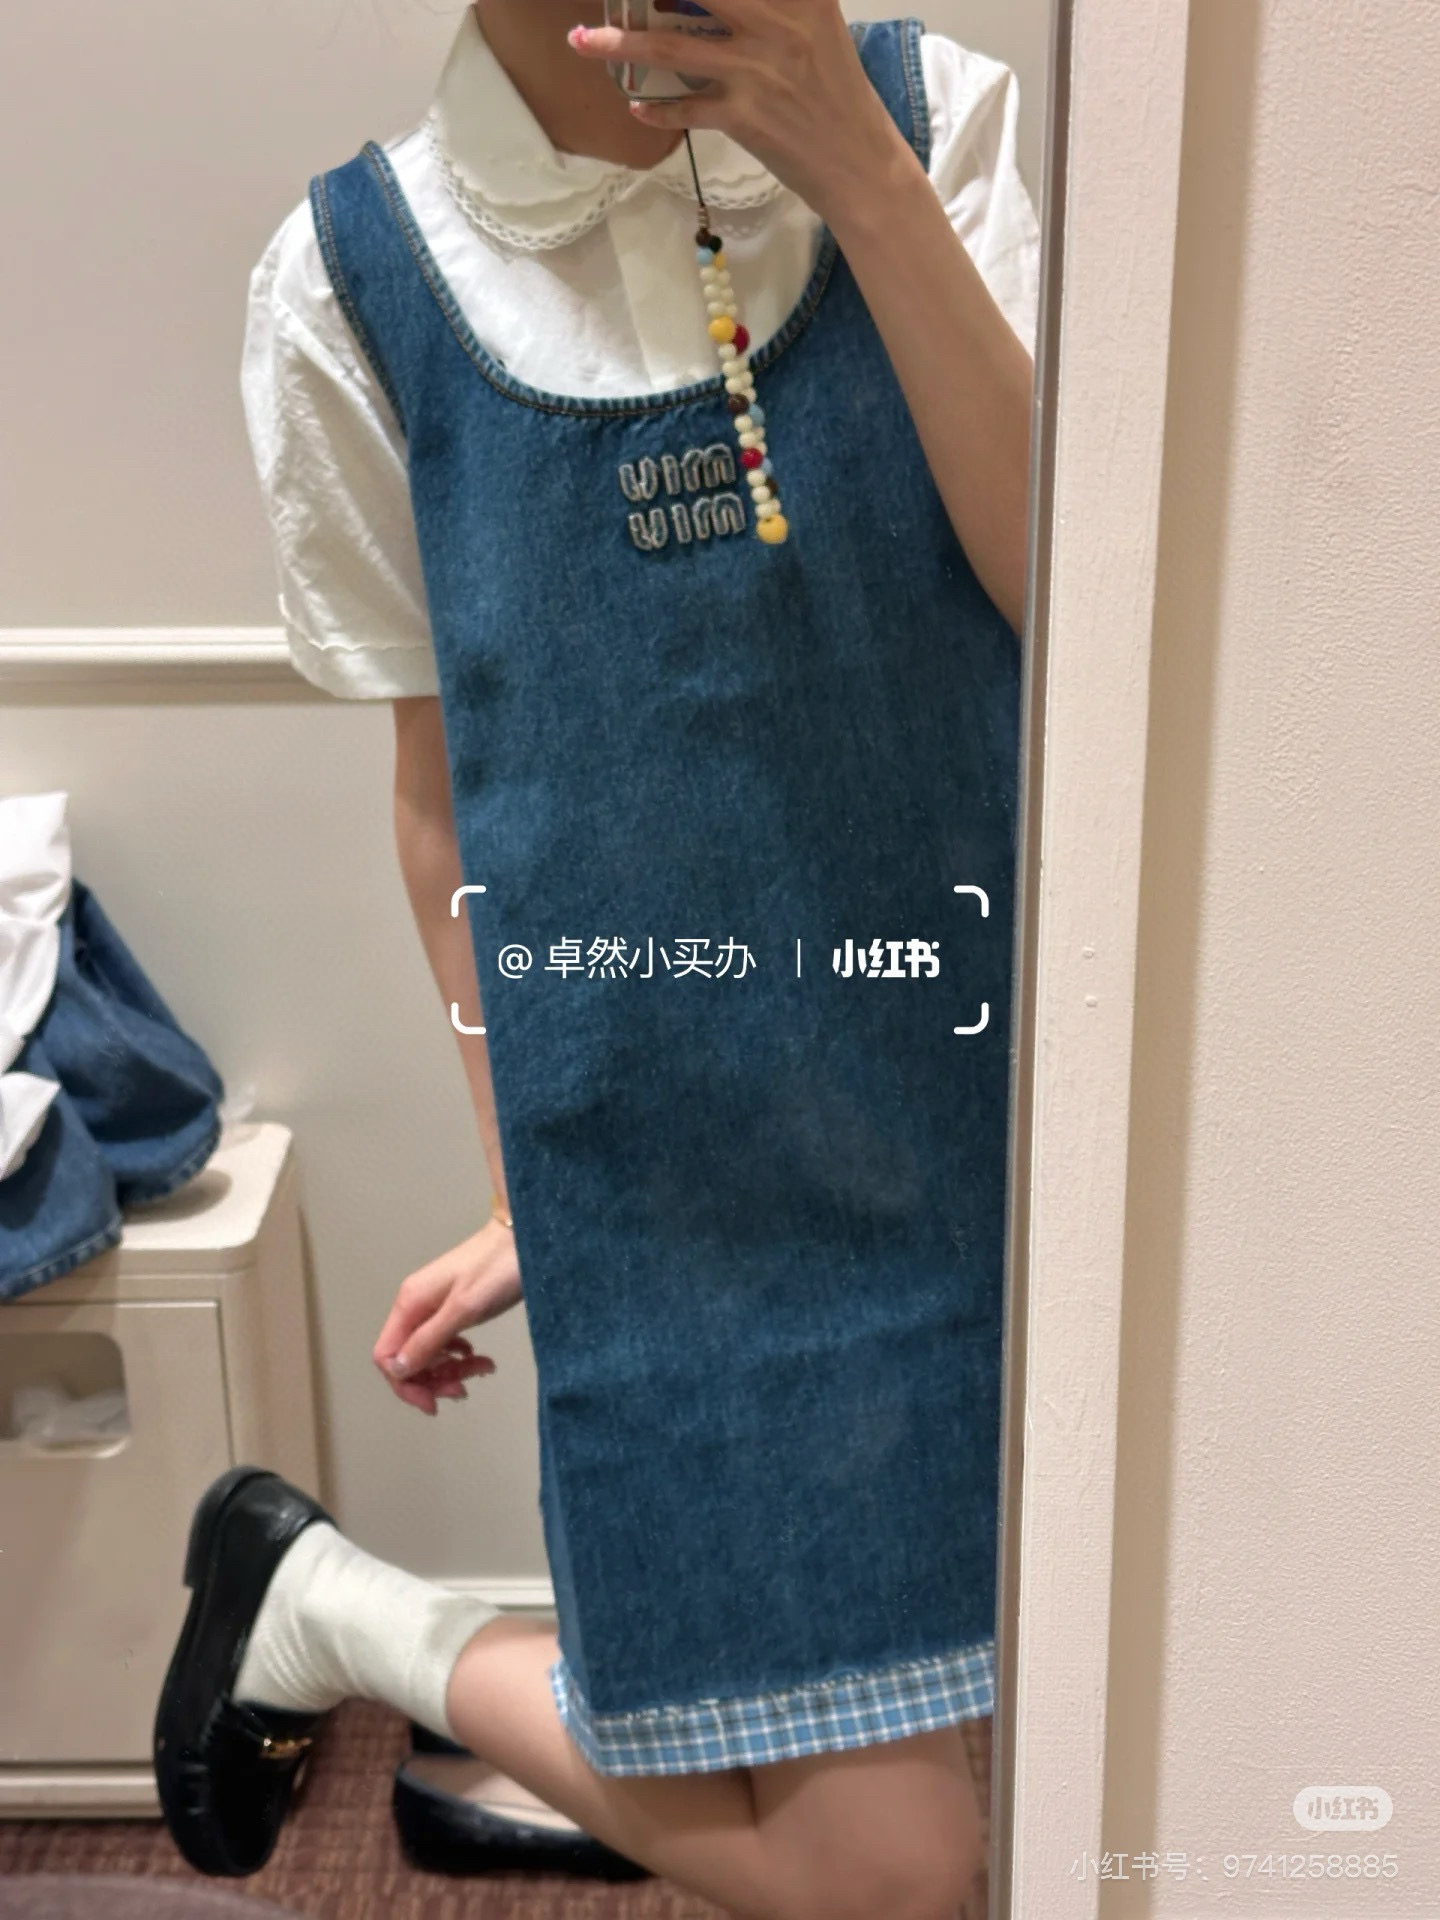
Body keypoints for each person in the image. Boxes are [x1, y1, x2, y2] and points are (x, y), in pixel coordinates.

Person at [153, 2, 1039, 1915]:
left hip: (1000, 1119)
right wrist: (528, 1188)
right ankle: (356, 1620)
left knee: (1047, 1761)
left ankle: (333, 1612)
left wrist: (857, 169)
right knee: (897, 1876)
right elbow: (446, 807)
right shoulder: (354, 283)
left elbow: (1061, 585)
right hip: (682, 1205)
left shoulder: (937, 119)